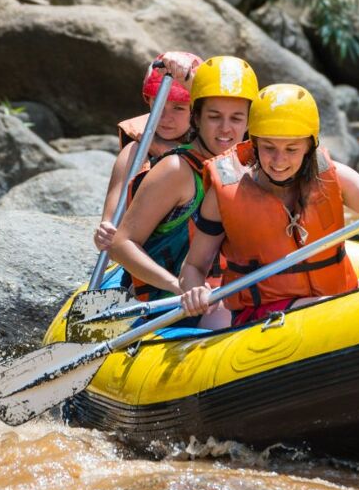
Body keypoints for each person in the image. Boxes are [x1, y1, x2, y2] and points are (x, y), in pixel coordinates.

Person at [179, 83, 359, 327]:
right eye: (268, 148)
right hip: (263, 315)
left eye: (291, 150)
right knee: (345, 308)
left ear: (309, 147)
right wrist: (194, 291)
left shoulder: (335, 177)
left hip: (334, 299)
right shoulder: (226, 193)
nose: (278, 161)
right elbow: (194, 266)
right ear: (254, 143)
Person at [108, 56, 259, 328]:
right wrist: (179, 287)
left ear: (248, 123)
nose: (226, 129)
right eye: (214, 117)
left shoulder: (234, 166)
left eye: (236, 118)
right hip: (165, 302)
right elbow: (120, 244)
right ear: (196, 118)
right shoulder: (176, 170)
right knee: (226, 317)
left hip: (217, 292)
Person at [94, 51, 200, 252]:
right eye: (158, 104)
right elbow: (110, 221)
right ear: (148, 101)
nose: (165, 117)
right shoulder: (135, 151)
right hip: (148, 256)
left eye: (178, 108)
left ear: (196, 110)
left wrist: (164, 149)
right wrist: (104, 233)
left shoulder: (214, 143)